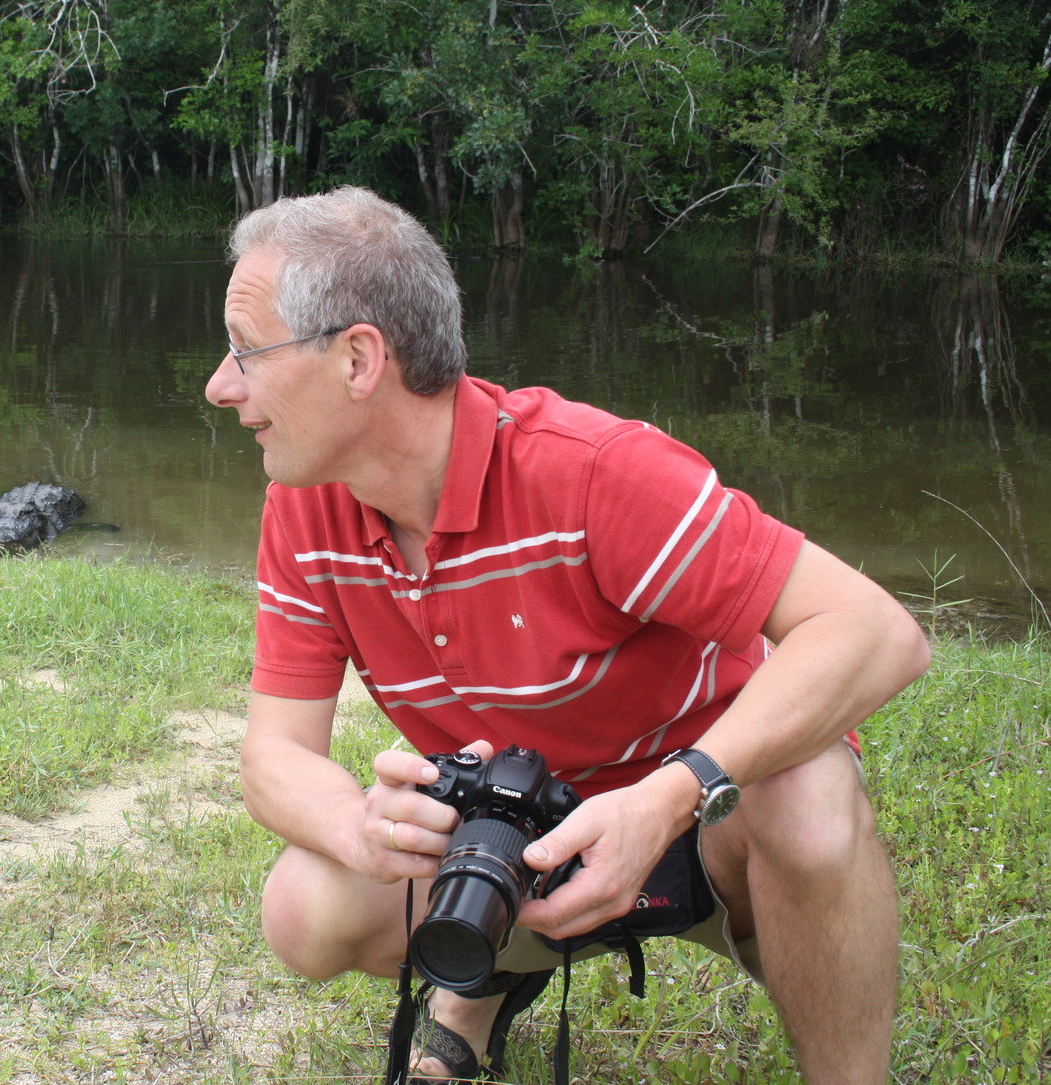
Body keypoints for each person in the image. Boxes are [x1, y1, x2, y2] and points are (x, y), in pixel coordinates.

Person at [203, 186, 929, 1084]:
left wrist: (668, 796)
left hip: (705, 818)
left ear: (358, 358)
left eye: (245, 352)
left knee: (807, 803)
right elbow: (274, 757)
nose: (220, 384)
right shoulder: (303, 507)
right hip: (521, 841)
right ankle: (493, 977)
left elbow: (876, 631)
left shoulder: (591, 471)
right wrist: (359, 827)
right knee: (305, 904)